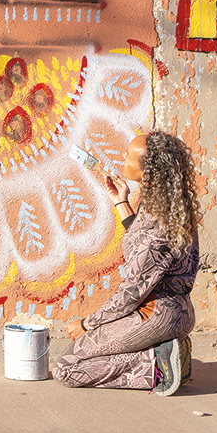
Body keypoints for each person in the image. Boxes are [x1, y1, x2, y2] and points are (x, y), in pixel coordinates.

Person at [53, 130, 200, 394]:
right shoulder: (165, 207)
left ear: (149, 171)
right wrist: (121, 201)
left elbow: (131, 293)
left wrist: (88, 323)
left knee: (66, 368)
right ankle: (162, 352)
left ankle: (156, 364)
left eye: (129, 156)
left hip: (155, 314)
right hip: (174, 310)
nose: (123, 157)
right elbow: (141, 243)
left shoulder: (160, 223)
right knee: (90, 350)